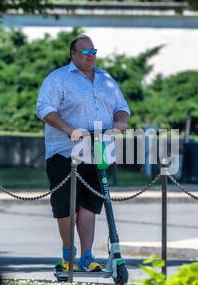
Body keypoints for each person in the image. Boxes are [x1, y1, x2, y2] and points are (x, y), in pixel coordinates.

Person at [36, 35, 130, 272]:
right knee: (66, 206)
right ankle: (69, 255)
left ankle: (88, 256)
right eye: (85, 52)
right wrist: (69, 129)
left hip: (99, 152)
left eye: (94, 51)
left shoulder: (106, 79)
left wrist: (120, 122)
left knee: (90, 207)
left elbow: (122, 107)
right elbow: (45, 108)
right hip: (65, 153)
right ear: (73, 54)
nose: (91, 56)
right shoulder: (58, 78)